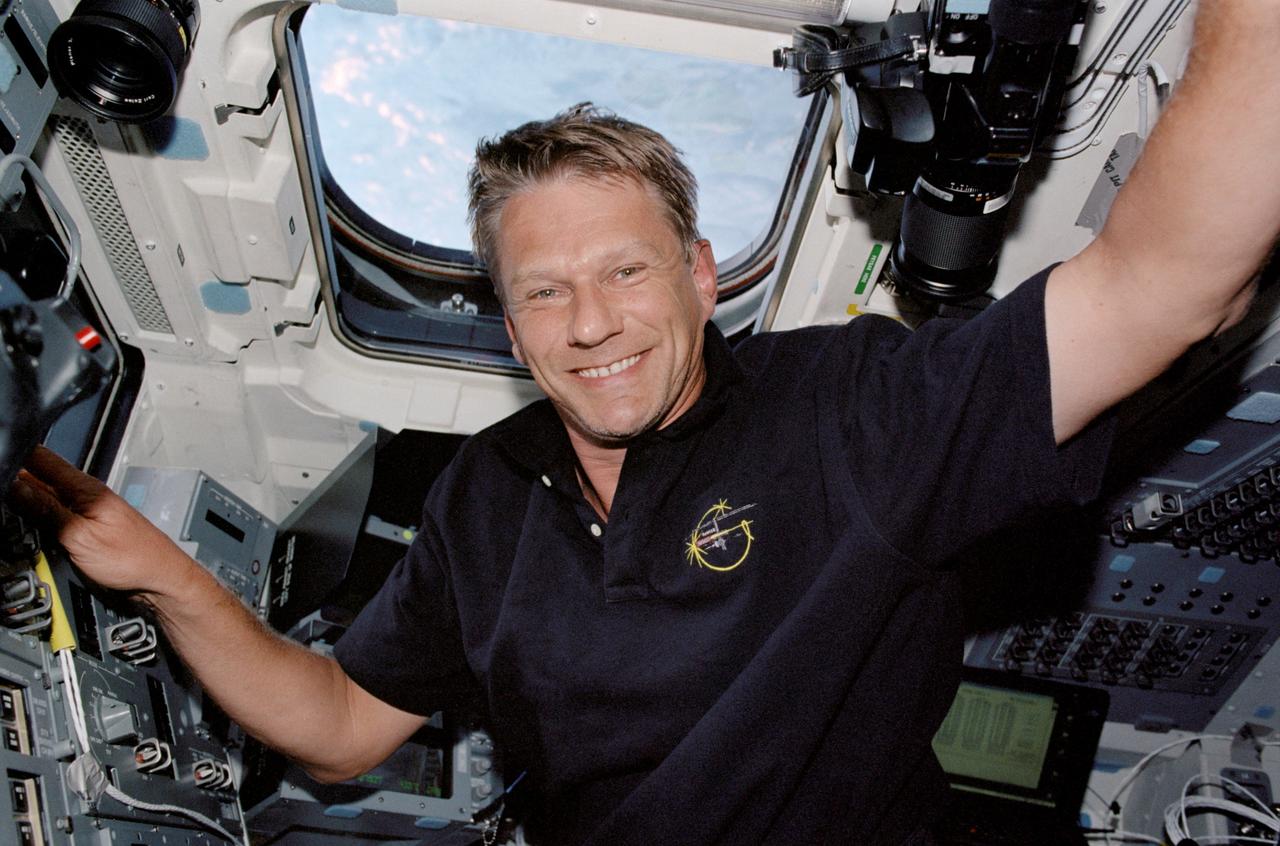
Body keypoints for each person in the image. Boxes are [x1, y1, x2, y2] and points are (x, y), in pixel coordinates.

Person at [10, 0, 1278, 842]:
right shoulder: (485, 496)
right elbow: (340, 731)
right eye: (542, 292)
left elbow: (1161, 284)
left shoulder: (847, 407)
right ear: (509, 329)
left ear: (700, 276)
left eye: (625, 272)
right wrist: (162, 572)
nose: (590, 324)